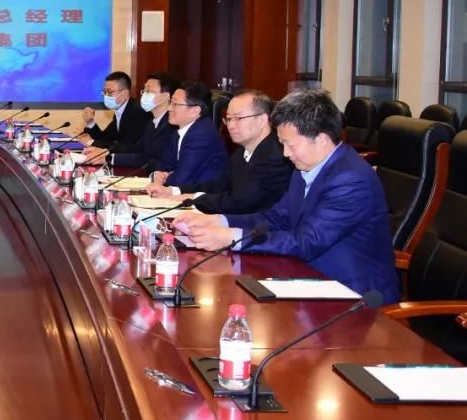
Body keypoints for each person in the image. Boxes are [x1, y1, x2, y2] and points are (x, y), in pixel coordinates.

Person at [174, 88, 400, 303]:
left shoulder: (350, 179)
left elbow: (306, 242)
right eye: (282, 144)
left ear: (321, 139)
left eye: (290, 144)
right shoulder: (306, 167)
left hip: (353, 295)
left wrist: (232, 237)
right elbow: (277, 217)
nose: (285, 153)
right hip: (306, 277)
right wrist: (220, 220)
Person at [148, 90, 293, 214]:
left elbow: (241, 202)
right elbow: (218, 185)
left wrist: (194, 198)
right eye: (228, 119)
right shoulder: (241, 152)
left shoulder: (277, 156)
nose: (231, 125)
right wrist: (174, 191)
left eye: (238, 118)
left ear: (261, 120)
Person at [151, 81, 227, 187]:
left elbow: (181, 180)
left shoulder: (201, 135)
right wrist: (160, 175)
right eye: (170, 102)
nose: (169, 108)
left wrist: (165, 177)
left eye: (175, 104)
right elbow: (165, 166)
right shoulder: (179, 131)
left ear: (195, 111)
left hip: (202, 194)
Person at [96, 72, 179, 169]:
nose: (144, 95)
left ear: (165, 96)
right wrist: (106, 152)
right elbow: (137, 148)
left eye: (149, 91)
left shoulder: (171, 125)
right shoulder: (152, 123)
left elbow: (150, 159)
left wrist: (109, 158)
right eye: (144, 90)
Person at [77, 71, 151, 150]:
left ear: (124, 93)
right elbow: (105, 138)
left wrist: (91, 142)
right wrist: (90, 122)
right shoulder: (120, 111)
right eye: (105, 92)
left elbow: (125, 145)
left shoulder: (138, 111)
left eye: (109, 92)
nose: (106, 96)